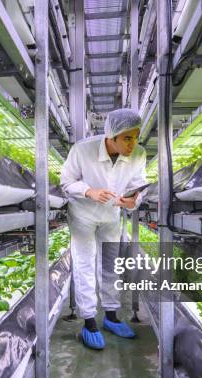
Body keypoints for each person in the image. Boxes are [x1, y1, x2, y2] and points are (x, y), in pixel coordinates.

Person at [60, 108, 147, 350]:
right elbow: (66, 181)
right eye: (127, 138)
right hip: (83, 215)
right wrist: (89, 191)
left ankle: (111, 316)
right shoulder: (83, 149)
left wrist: (133, 200)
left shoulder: (138, 154)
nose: (133, 144)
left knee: (111, 265)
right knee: (85, 263)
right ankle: (89, 321)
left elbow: (138, 184)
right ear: (112, 136)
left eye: (136, 137)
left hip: (111, 214)